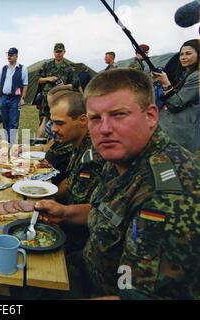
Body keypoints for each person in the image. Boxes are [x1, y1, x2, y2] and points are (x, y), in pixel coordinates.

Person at [40, 68, 200, 299]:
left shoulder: (167, 195)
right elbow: (109, 214)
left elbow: (136, 296)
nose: (104, 129)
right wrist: (64, 212)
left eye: (119, 115)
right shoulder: (122, 156)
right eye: (96, 118)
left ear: (151, 116)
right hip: (86, 269)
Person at [35, 91, 105, 252]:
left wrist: (60, 210)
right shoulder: (78, 142)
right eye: (52, 123)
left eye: (59, 123)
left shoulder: (94, 153)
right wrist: (45, 197)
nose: (53, 129)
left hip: (79, 241)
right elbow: (71, 181)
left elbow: (89, 208)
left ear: (82, 121)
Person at [152, 39, 199, 153]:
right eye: (181, 54)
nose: (183, 57)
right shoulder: (185, 74)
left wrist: (166, 83)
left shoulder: (197, 76)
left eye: (188, 53)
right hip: (171, 131)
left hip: (182, 135)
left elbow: (176, 104)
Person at [0, 47, 28, 144]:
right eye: (8, 54)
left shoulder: (22, 69)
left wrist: (22, 98)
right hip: (4, 97)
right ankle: (6, 142)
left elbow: (25, 85)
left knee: (13, 122)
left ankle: (12, 144)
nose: (9, 56)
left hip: (15, 98)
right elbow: (0, 84)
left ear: (16, 56)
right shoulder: (4, 68)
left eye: (11, 54)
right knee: (5, 121)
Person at [37, 43, 76, 123]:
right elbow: (38, 80)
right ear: (53, 52)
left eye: (60, 52)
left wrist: (64, 86)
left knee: (59, 123)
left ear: (64, 52)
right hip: (46, 100)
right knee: (44, 121)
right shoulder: (46, 65)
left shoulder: (69, 68)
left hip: (61, 100)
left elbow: (73, 85)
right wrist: (49, 79)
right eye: (56, 52)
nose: (58, 54)